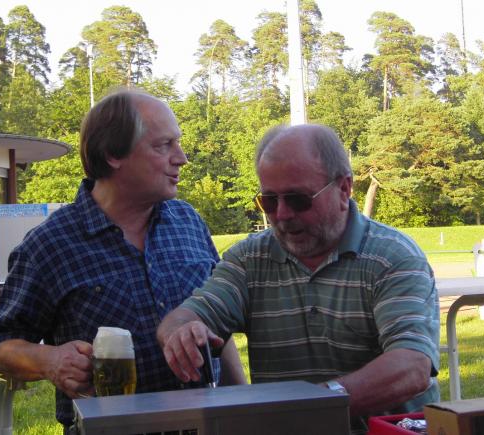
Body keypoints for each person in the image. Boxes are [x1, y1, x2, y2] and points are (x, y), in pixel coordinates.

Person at [0, 89, 245, 432]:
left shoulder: (189, 222)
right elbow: (0, 346)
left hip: (201, 426)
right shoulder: (50, 244)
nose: (181, 158)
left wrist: (242, 403)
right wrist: (49, 360)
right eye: (163, 145)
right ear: (112, 154)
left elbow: (217, 326)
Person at [157, 123, 440, 433]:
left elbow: (412, 367)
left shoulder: (393, 257)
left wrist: (313, 403)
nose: (281, 215)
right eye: (268, 201)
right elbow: (185, 317)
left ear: (344, 189)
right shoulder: (249, 260)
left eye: (298, 200)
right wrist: (180, 333)